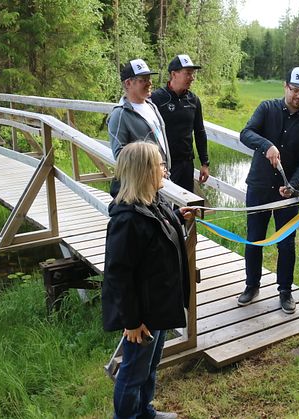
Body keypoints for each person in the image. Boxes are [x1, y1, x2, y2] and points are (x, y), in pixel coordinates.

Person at [102, 142, 191, 419]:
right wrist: (131, 321)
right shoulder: (127, 219)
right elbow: (118, 274)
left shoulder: (155, 202)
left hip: (159, 304)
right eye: (159, 165)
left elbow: (156, 233)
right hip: (142, 313)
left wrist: (177, 217)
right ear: (143, 172)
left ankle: (145, 411)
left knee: (150, 365)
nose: (164, 169)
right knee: (133, 370)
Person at [237, 67, 299, 314]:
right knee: (254, 238)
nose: (298, 96)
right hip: (259, 187)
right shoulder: (266, 108)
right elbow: (245, 133)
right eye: (295, 90)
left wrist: (293, 185)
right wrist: (267, 145)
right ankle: (251, 285)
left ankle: (285, 291)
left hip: (288, 192)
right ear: (286, 86)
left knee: (286, 243)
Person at [108, 58, 170, 197]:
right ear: (128, 83)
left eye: (149, 78)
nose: (150, 83)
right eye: (144, 79)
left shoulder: (151, 106)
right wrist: (151, 170)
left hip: (160, 181)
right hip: (141, 190)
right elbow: (121, 158)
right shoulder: (119, 115)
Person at [151, 54, 209, 192]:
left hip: (186, 164)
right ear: (174, 74)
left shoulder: (193, 100)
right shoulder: (156, 98)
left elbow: (200, 132)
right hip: (163, 164)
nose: (192, 78)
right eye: (187, 73)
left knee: (187, 205)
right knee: (164, 205)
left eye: (192, 74)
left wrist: (205, 163)